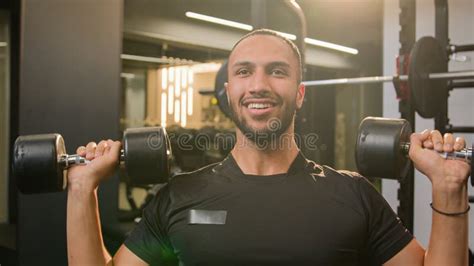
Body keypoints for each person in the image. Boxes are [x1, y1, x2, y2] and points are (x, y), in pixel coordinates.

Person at [67, 29, 471, 265]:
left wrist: (449, 187)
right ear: (229, 92)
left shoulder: (354, 196)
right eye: (244, 72)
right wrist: (82, 189)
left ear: (299, 94)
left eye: (276, 72)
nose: (258, 85)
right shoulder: (178, 197)